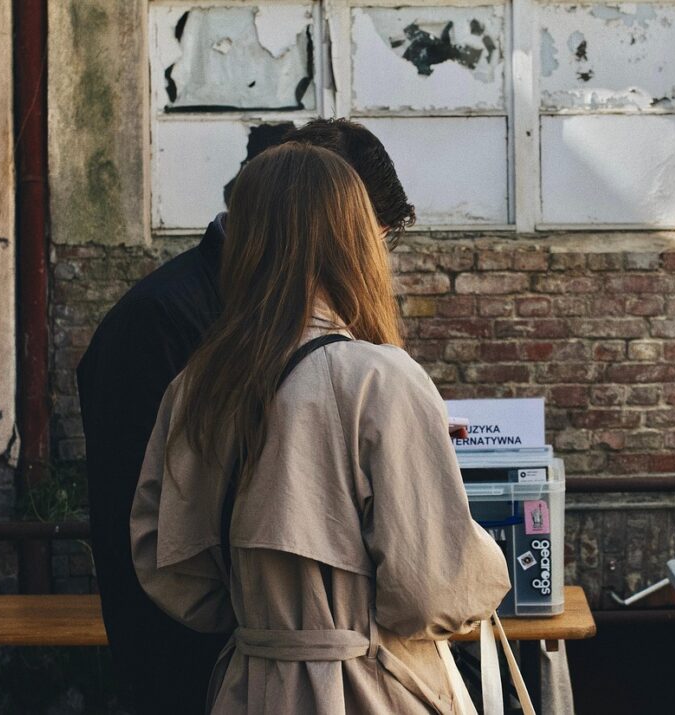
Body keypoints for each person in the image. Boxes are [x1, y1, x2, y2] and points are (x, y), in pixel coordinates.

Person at [130, 142, 510, 713]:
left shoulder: (198, 386)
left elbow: (168, 567)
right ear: (353, 241)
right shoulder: (380, 378)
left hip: (249, 688)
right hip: (372, 687)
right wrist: (478, 550)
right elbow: (433, 592)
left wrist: (271, 619)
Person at [77, 119, 417, 714]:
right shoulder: (159, 325)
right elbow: (152, 543)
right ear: (317, 220)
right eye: (366, 236)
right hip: (206, 675)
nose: (373, 260)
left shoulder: (303, 335)